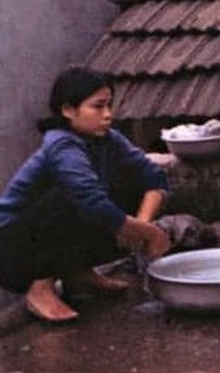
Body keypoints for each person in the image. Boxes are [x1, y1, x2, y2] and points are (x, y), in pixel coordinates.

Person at [0, 67, 172, 322]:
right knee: (75, 199)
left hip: (42, 237)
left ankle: (77, 274)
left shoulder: (108, 139)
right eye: (98, 107)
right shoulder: (61, 145)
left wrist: (143, 225)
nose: (108, 115)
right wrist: (150, 233)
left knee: (124, 194)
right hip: (13, 250)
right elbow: (90, 202)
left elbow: (154, 178)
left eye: (109, 105)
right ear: (68, 110)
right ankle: (41, 287)